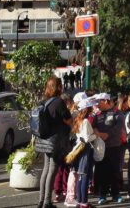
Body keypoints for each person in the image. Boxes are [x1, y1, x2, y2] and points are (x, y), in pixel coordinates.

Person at [35, 76, 72, 208]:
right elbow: (68, 120)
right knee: (52, 170)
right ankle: (47, 202)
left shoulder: (44, 102)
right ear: (59, 87)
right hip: (55, 141)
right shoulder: (59, 102)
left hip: (44, 139)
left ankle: (41, 201)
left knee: (46, 170)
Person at [92, 93, 123, 204]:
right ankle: (102, 195)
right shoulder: (97, 114)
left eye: (99, 102)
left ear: (105, 101)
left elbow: (118, 127)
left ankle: (116, 194)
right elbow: (94, 126)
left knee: (115, 171)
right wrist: (98, 133)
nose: (97, 105)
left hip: (114, 147)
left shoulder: (117, 113)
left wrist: (107, 134)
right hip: (101, 148)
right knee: (102, 172)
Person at [71, 98, 98, 208]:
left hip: (79, 149)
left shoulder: (78, 119)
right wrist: (96, 135)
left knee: (80, 176)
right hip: (86, 149)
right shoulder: (86, 121)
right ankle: (84, 203)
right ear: (87, 109)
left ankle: (79, 201)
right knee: (85, 176)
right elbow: (87, 138)